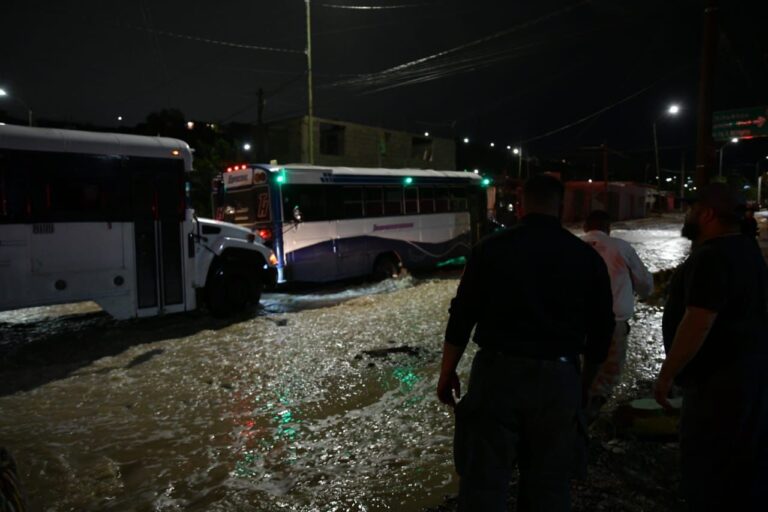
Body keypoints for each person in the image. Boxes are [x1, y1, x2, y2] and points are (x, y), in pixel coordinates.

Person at [437, 174, 614, 511]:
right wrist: (583, 385)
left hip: (496, 375)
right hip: (559, 379)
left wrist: (447, 372)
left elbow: (461, 318)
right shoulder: (586, 258)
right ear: (560, 207)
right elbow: (602, 332)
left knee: (483, 485)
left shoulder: (489, 250)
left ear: (520, 206)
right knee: (549, 486)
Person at [655, 182, 768, 511]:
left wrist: (667, 375)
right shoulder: (747, 250)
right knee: (744, 472)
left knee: (708, 474)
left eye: (691, 209)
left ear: (706, 214)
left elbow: (697, 322)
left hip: (717, 389)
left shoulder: (712, 256)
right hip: (749, 382)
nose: (686, 215)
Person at [582, 210, 654, 422]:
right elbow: (645, 285)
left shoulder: (572, 245)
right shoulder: (621, 247)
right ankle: (591, 412)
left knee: (578, 369)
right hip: (613, 321)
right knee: (608, 373)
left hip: (575, 322)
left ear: (586, 227)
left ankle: (575, 411)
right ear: (608, 228)